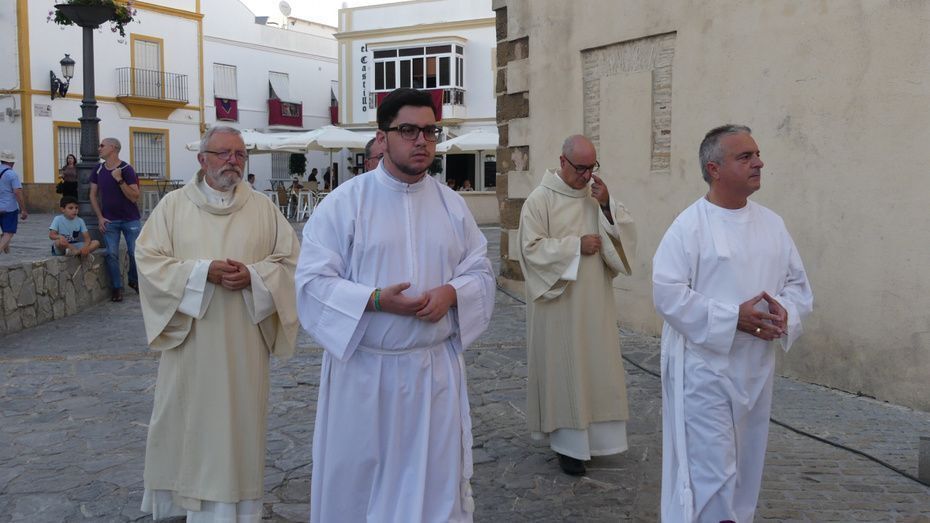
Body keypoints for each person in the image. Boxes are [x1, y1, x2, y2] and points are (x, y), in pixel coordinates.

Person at [296, 88, 495, 522]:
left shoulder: (452, 205)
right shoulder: (345, 204)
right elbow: (311, 284)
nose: (421, 140)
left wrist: (452, 293)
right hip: (366, 375)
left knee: (433, 488)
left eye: (429, 131)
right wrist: (374, 300)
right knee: (362, 489)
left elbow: (480, 270)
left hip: (432, 376)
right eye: (408, 130)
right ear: (382, 137)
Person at [135, 125, 300, 523]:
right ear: (202, 159)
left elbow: (290, 262)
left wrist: (254, 277)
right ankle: (183, 503)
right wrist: (201, 273)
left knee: (237, 426)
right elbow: (149, 261)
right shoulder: (173, 206)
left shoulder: (262, 208)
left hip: (245, 342)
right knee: (185, 419)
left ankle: (234, 509)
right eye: (224, 153)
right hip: (192, 341)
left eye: (239, 154)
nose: (232, 161)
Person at [653, 124, 813, 523]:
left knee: (745, 469)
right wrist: (731, 318)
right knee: (713, 474)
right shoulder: (689, 226)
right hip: (704, 371)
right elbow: (667, 292)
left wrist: (785, 312)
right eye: (745, 157)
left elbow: (797, 285)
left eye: (757, 154)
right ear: (715, 169)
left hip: (755, 368)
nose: (759, 163)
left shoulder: (772, 224)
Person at [517, 134, 637, 476]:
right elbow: (530, 249)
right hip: (559, 306)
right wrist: (574, 246)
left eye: (591, 168)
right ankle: (568, 447)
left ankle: (599, 442)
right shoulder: (539, 200)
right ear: (562, 162)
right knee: (565, 370)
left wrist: (606, 206)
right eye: (580, 168)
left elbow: (622, 241)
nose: (587, 176)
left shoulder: (595, 197)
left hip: (595, 303)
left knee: (596, 367)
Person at [90, 137, 141, 302]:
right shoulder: (98, 169)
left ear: (113, 148)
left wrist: (119, 179)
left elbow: (134, 197)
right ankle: (117, 288)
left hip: (130, 219)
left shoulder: (126, 169)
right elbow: (92, 195)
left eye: (102, 145)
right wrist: (100, 217)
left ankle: (133, 279)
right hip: (109, 220)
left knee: (135, 252)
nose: (99, 148)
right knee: (111, 253)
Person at [0, 150, 26, 254]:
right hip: (9, 207)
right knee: (9, 232)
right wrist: (23, 209)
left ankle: (7, 250)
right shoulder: (12, 174)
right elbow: (17, 192)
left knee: (4, 231)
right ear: (11, 162)